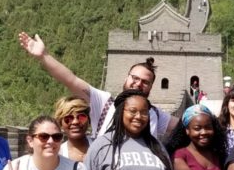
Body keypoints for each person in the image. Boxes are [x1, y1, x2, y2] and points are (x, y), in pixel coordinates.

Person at [18, 31, 176, 138]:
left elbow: (186, 125)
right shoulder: (105, 103)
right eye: (135, 78)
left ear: (150, 87)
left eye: (145, 82)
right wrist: (44, 56)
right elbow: (71, 79)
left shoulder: (154, 114)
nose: (138, 84)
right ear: (126, 78)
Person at [54, 96, 91, 162]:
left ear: (89, 120)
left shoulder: (101, 147)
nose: (75, 122)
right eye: (68, 119)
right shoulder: (57, 156)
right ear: (60, 123)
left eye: (81, 117)